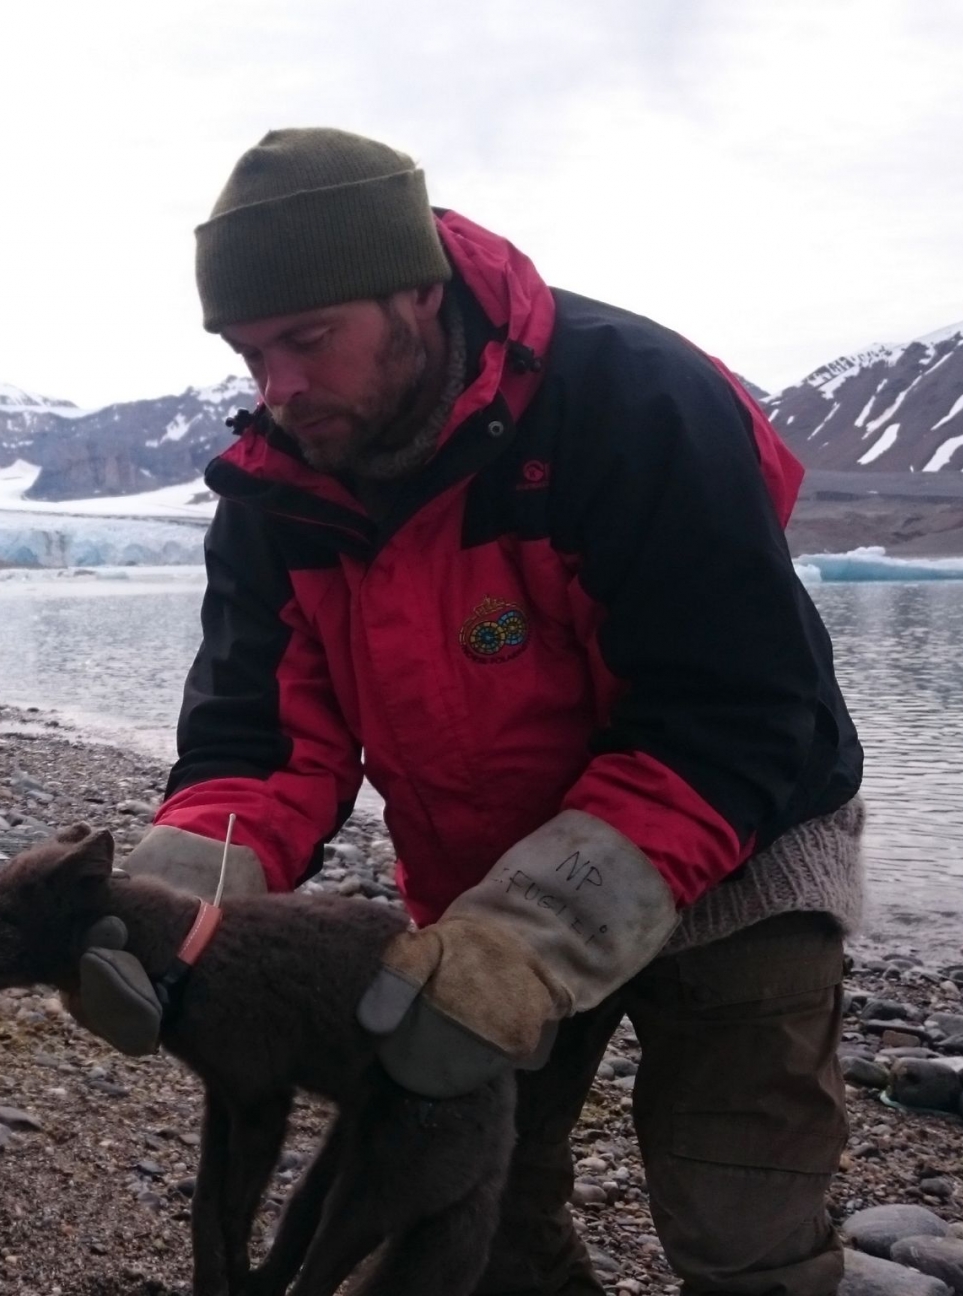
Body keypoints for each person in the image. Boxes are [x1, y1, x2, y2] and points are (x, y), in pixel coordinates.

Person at [80, 128, 865, 1296]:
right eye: (251, 354)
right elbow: (260, 741)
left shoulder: (635, 407)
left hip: (742, 848)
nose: (278, 388)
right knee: (463, 1200)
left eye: (307, 340)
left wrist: (526, 944)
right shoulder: (280, 487)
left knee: (741, 1219)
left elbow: (733, 720)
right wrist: (167, 913)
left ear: (416, 292)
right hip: (480, 882)